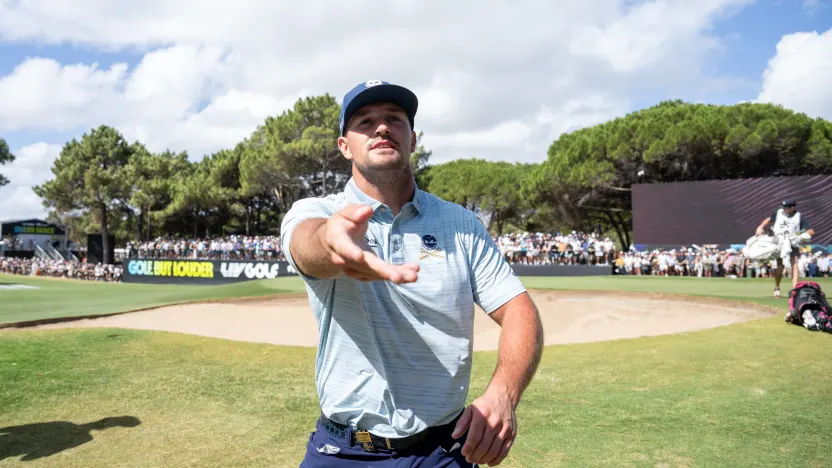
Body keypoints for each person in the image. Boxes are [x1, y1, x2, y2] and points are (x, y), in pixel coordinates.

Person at [280, 80, 544, 467]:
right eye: (365, 121)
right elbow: (307, 246)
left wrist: (504, 392)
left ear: (413, 139)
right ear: (344, 146)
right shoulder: (317, 211)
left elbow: (520, 310)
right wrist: (331, 243)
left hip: (444, 450)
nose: (381, 127)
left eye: (394, 119)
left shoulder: (460, 223)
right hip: (344, 451)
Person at [755, 200, 815, 298]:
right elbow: (768, 219)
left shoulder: (799, 217)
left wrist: (797, 235)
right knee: (780, 267)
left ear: (793, 208)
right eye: (783, 207)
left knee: (795, 266)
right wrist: (760, 227)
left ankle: (795, 291)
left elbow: (810, 231)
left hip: (792, 245)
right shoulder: (779, 213)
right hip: (779, 244)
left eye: (786, 207)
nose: (784, 209)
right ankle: (777, 287)